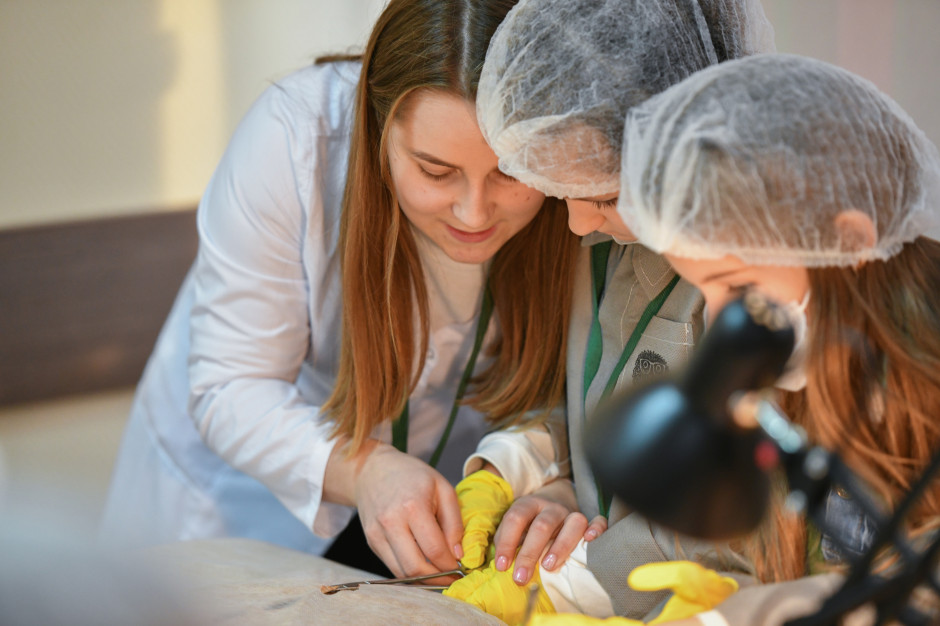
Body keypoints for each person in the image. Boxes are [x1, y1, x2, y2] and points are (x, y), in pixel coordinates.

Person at [98, 0, 580, 582]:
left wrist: (551, 482)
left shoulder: (577, 181)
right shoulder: (296, 138)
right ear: (377, 129)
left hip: (438, 505)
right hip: (237, 504)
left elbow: (576, 381)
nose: (474, 212)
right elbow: (231, 385)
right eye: (434, 171)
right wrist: (366, 471)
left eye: (509, 171)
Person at [444, 0, 774, 621]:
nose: (573, 223)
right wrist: (519, 464)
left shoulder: (752, 280)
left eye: (601, 195)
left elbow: (736, 521)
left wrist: (558, 586)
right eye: (562, 193)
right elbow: (603, 395)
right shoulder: (608, 232)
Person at [598, 52, 940, 625]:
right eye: (701, 288)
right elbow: (728, 540)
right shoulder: (804, 388)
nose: (718, 319)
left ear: (850, 241)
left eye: (737, 285)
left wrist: (752, 615)